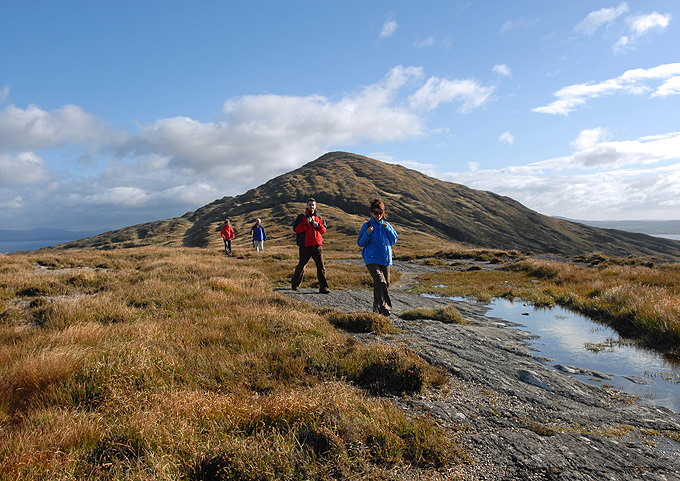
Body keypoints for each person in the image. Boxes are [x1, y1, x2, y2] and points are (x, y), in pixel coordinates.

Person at [357, 198, 398, 316]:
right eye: (376, 213)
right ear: (371, 213)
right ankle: (386, 307)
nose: (378, 215)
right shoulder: (367, 225)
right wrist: (367, 233)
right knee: (380, 281)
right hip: (371, 258)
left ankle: (376, 308)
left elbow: (393, 240)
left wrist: (388, 228)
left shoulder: (387, 225)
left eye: (381, 213)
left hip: (385, 259)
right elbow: (360, 243)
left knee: (384, 284)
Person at [291, 198, 330, 293]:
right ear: (307, 206)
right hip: (305, 246)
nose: (311, 206)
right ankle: (294, 284)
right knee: (301, 266)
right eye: (310, 205)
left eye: (313, 205)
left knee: (321, 267)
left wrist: (318, 226)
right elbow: (296, 229)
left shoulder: (319, 218)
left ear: (315, 206)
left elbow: (324, 230)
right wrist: (306, 224)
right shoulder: (301, 217)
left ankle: (324, 288)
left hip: (317, 246)